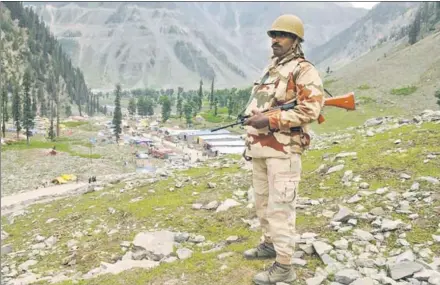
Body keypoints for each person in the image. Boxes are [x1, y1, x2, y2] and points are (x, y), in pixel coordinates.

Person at [241, 14, 325, 284]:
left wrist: (270, 119)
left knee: (281, 209)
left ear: (296, 40)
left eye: (282, 35)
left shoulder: (303, 70)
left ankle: (285, 266)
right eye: (273, 35)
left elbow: (310, 109)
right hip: (261, 150)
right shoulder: (273, 69)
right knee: (263, 204)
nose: (275, 40)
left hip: (284, 152)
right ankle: (269, 244)